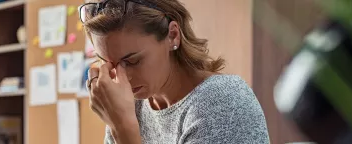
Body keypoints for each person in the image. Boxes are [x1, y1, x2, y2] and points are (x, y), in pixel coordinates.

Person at [80, 0, 269, 143]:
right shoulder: (132, 107)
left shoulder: (223, 102)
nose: (122, 78)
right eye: (108, 63)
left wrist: (123, 129)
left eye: (132, 61)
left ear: (172, 35)